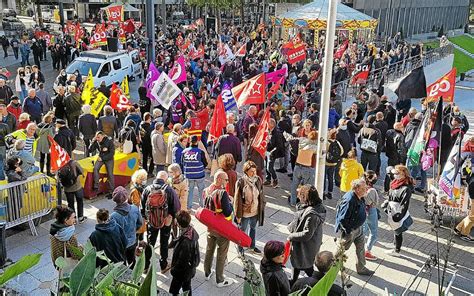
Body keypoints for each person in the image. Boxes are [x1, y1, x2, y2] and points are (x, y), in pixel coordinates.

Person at [334, 179, 374, 276]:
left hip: (358, 228)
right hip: (350, 230)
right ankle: (334, 266)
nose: (366, 190)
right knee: (342, 249)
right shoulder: (349, 200)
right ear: (357, 189)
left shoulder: (360, 197)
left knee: (360, 248)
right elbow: (343, 218)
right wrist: (348, 231)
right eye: (364, 188)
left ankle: (361, 268)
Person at [288, 185, 326, 285]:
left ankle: (318, 283)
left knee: (306, 266)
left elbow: (306, 234)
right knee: (297, 264)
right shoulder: (313, 207)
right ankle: (293, 280)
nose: (298, 197)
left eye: (300, 195)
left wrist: (291, 236)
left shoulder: (312, 215)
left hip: (306, 247)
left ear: (305, 197)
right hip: (305, 246)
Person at [203, 170, 234, 287]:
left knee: (209, 249)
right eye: (226, 179)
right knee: (221, 253)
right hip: (222, 228)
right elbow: (227, 212)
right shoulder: (222, 193)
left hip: (210, 227)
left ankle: (207, 273)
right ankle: (220, 280)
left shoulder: (207, 190)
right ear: (220, 179)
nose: (227, 182)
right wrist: (230, 202)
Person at [141, 171, 178, 271]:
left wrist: (146, 217)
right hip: (165, 221)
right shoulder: (169, 190)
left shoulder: (147, 189)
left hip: (151, 221)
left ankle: (145, 266)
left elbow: (142, 206)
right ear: (165, 179)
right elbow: (176, 207)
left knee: (150, 243)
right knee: (164, 243)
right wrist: (172, 217)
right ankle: (163, 265)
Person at [234, 160, 265, 254]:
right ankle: (240, 248)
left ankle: (252, 245)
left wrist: (262, 207)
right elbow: (237, 200)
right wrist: (238, 215)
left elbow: (261, 195)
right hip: (244, 212)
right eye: (251, 171)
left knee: (253, 228)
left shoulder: (258, 180)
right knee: (242, 230)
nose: (254, 173)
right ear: (246, 171)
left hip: (255, 211)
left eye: (255, 171)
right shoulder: (241, 182)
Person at [384, 165, 414, 256]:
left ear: (403, 175)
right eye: (395, 173)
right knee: (395, 230)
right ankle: (395, 245)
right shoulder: (395, 183)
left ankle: (397, 250)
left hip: (398, 212)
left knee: (398, 231)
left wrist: (399, 215)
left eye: (397, 173)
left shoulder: (406, 189)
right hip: (392, 210)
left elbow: (404, 204)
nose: (395, 175)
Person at [168, 210, 200, 296]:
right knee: (186, 287)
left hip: (181, 272)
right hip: (189, 270)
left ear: (179, 224)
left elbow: (182, 261)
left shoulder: (186, 242)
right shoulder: (191, 231)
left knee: (174, 290)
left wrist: (173, 270)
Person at [110, 186, 143, 267]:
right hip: (132, 241)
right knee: (132, 260)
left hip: (121, 245)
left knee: (122, 263)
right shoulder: (135, 208)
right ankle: (134, 275)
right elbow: (140, 223)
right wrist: (133, 231)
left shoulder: (114, 216)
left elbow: (113, 233)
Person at [182, 135, 208, 208]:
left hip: (188, 175)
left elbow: (182, 162)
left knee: (190, 191)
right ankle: (201, 207)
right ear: (197, 142)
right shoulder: (200, 152)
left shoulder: (184, 151)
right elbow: (205, 163)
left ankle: (189, 206)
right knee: (201, 190)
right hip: (199, 174)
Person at [89, 131, 115, 197]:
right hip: (101, 158)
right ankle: (96, 187)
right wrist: (92, 142)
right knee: (95, 168)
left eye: (98, 137)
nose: (97, 139)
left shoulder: (109, 141)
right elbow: (90, 150)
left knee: (110, 173)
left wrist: (102, 158)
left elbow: (112, 154)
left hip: (109, 159)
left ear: (103, 136)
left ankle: (111, 191)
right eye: (96, 137)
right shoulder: (96, 141)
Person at [60, 160, 86, 224]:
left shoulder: (60, 165)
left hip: (67, 189)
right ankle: (81, 218)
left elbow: (59, 178)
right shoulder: (74, 163)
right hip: (77, 187)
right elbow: (82, 171)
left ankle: (73, 219)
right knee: (80, 202)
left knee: (70, 204)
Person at [363, 171, 379, 261]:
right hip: (371, 210)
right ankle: (367, 251)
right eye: (374, 177)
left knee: (363, 230)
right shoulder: (371, 191)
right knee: (374, 232)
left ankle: (362, 250)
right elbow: (375, 202)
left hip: (364, 211)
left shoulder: (362, 187)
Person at [264, 118, 285, 188]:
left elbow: (279, 145)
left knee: (269, 167)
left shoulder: (277, 133)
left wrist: (272, 152)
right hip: (268, 151)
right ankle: (268, 179)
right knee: (267, 166)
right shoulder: (269, 131)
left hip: (272, 153)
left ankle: (275, 180)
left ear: (272, 124)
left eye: (268, 123)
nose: (266, 125)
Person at [128, 169, 148, 241]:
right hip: (137, 215)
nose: (144, 180)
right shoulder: (135, 190)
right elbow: (136, 204)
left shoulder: (141, 188)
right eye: (143, 179)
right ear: (138, 179)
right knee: (137, 234)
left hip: (141, 214)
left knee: (141, 234)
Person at [325, 129, 344, 200]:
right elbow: (342, 151)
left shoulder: (327, 142)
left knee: (324, 178)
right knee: (330, 178)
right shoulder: (337, 142)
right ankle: (330, 193)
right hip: (333, 163)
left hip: (326, 163)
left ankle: (323, 192)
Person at [140, 112, 154, 177]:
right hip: (149, 145)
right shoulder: (150, 128)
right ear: (148, 118)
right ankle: (150, 172)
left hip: (143, 144)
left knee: (144, 158)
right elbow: (151, 137)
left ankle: (145, 171)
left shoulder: (141, 125)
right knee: (153, 158)